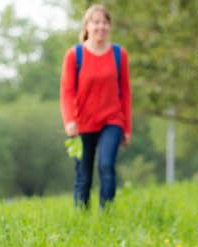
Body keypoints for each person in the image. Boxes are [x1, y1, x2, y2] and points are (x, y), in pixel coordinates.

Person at [59, 4, 131, 209]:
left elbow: (125, 92)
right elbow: (66, 91)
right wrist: (69, 120)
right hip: (82, 122)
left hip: (112, 120)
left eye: (104, 22)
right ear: (87, 26)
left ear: (109, 26)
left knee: (106, 165)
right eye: (96, 22)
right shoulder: (75, 55)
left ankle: (106, 216)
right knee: (84, 174)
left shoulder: (119, 54)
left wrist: (127, 128)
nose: (101, 26)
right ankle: (81, 218)